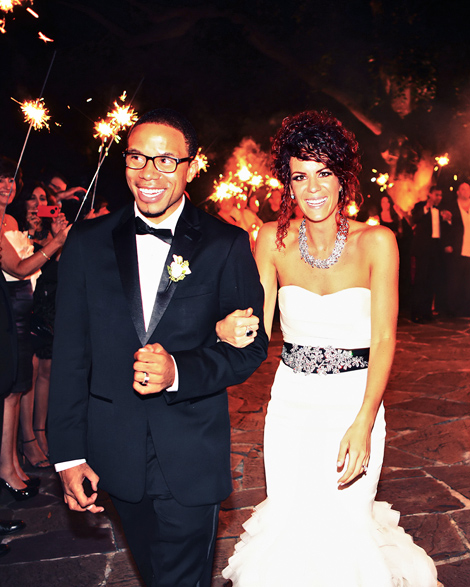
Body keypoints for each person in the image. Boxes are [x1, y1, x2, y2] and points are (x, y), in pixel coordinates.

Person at [47, 108, 268, 587]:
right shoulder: (86, 242)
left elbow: (250, 348)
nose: (149, 173)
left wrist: (179, 370)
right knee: (151, 572)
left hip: (190, 452)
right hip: (111, 454)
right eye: (137, 158)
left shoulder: (225, 244)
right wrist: (66, 455)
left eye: (166, 160)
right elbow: (69, 357)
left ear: (191, 165)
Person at [221, 111, 438, 586]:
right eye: (300, 176)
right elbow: (251, 322)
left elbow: (383, 338)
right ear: (288, 183)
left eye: (324, 173)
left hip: (353, 403)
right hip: (291, 406)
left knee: (344, 528)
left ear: (343, 179)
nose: (313, 187)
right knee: (291, 525)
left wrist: (363, 422)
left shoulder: (377, 242)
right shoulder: (271, 241)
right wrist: (222, 322)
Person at [0, 156, 69, 500]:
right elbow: (19, 267)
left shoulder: (7, 219)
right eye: (0, 180)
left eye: (10, 180)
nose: (6, 186)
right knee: (11, 388)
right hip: (8, 309)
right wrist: (57, 241)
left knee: (16, 389)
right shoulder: (6, 223)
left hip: (22, 309)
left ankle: (12, 465)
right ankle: (11, 466)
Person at [410, 186, 452, 322]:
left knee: (432, 280)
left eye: (440, 195)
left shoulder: (442, 210)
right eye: (436, 194)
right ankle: (417, 312)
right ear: (430, 194)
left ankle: (427, 312)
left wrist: (448, 219)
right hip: (423, 249)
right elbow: (415, 219)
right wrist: (426, 208)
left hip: (436, 248)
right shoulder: (420, 206)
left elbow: (445, 229)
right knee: (421, 281)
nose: (439, 197)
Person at [446, 181, 470, 317]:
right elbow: (446, 227)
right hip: (457, 248)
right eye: (463, 189)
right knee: (455, 280)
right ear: (458, 192)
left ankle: (467, 309)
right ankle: (453, 309)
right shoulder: (451, 207)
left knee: (468, 282)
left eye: (468, 189)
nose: (466, 191)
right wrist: (447, 244)